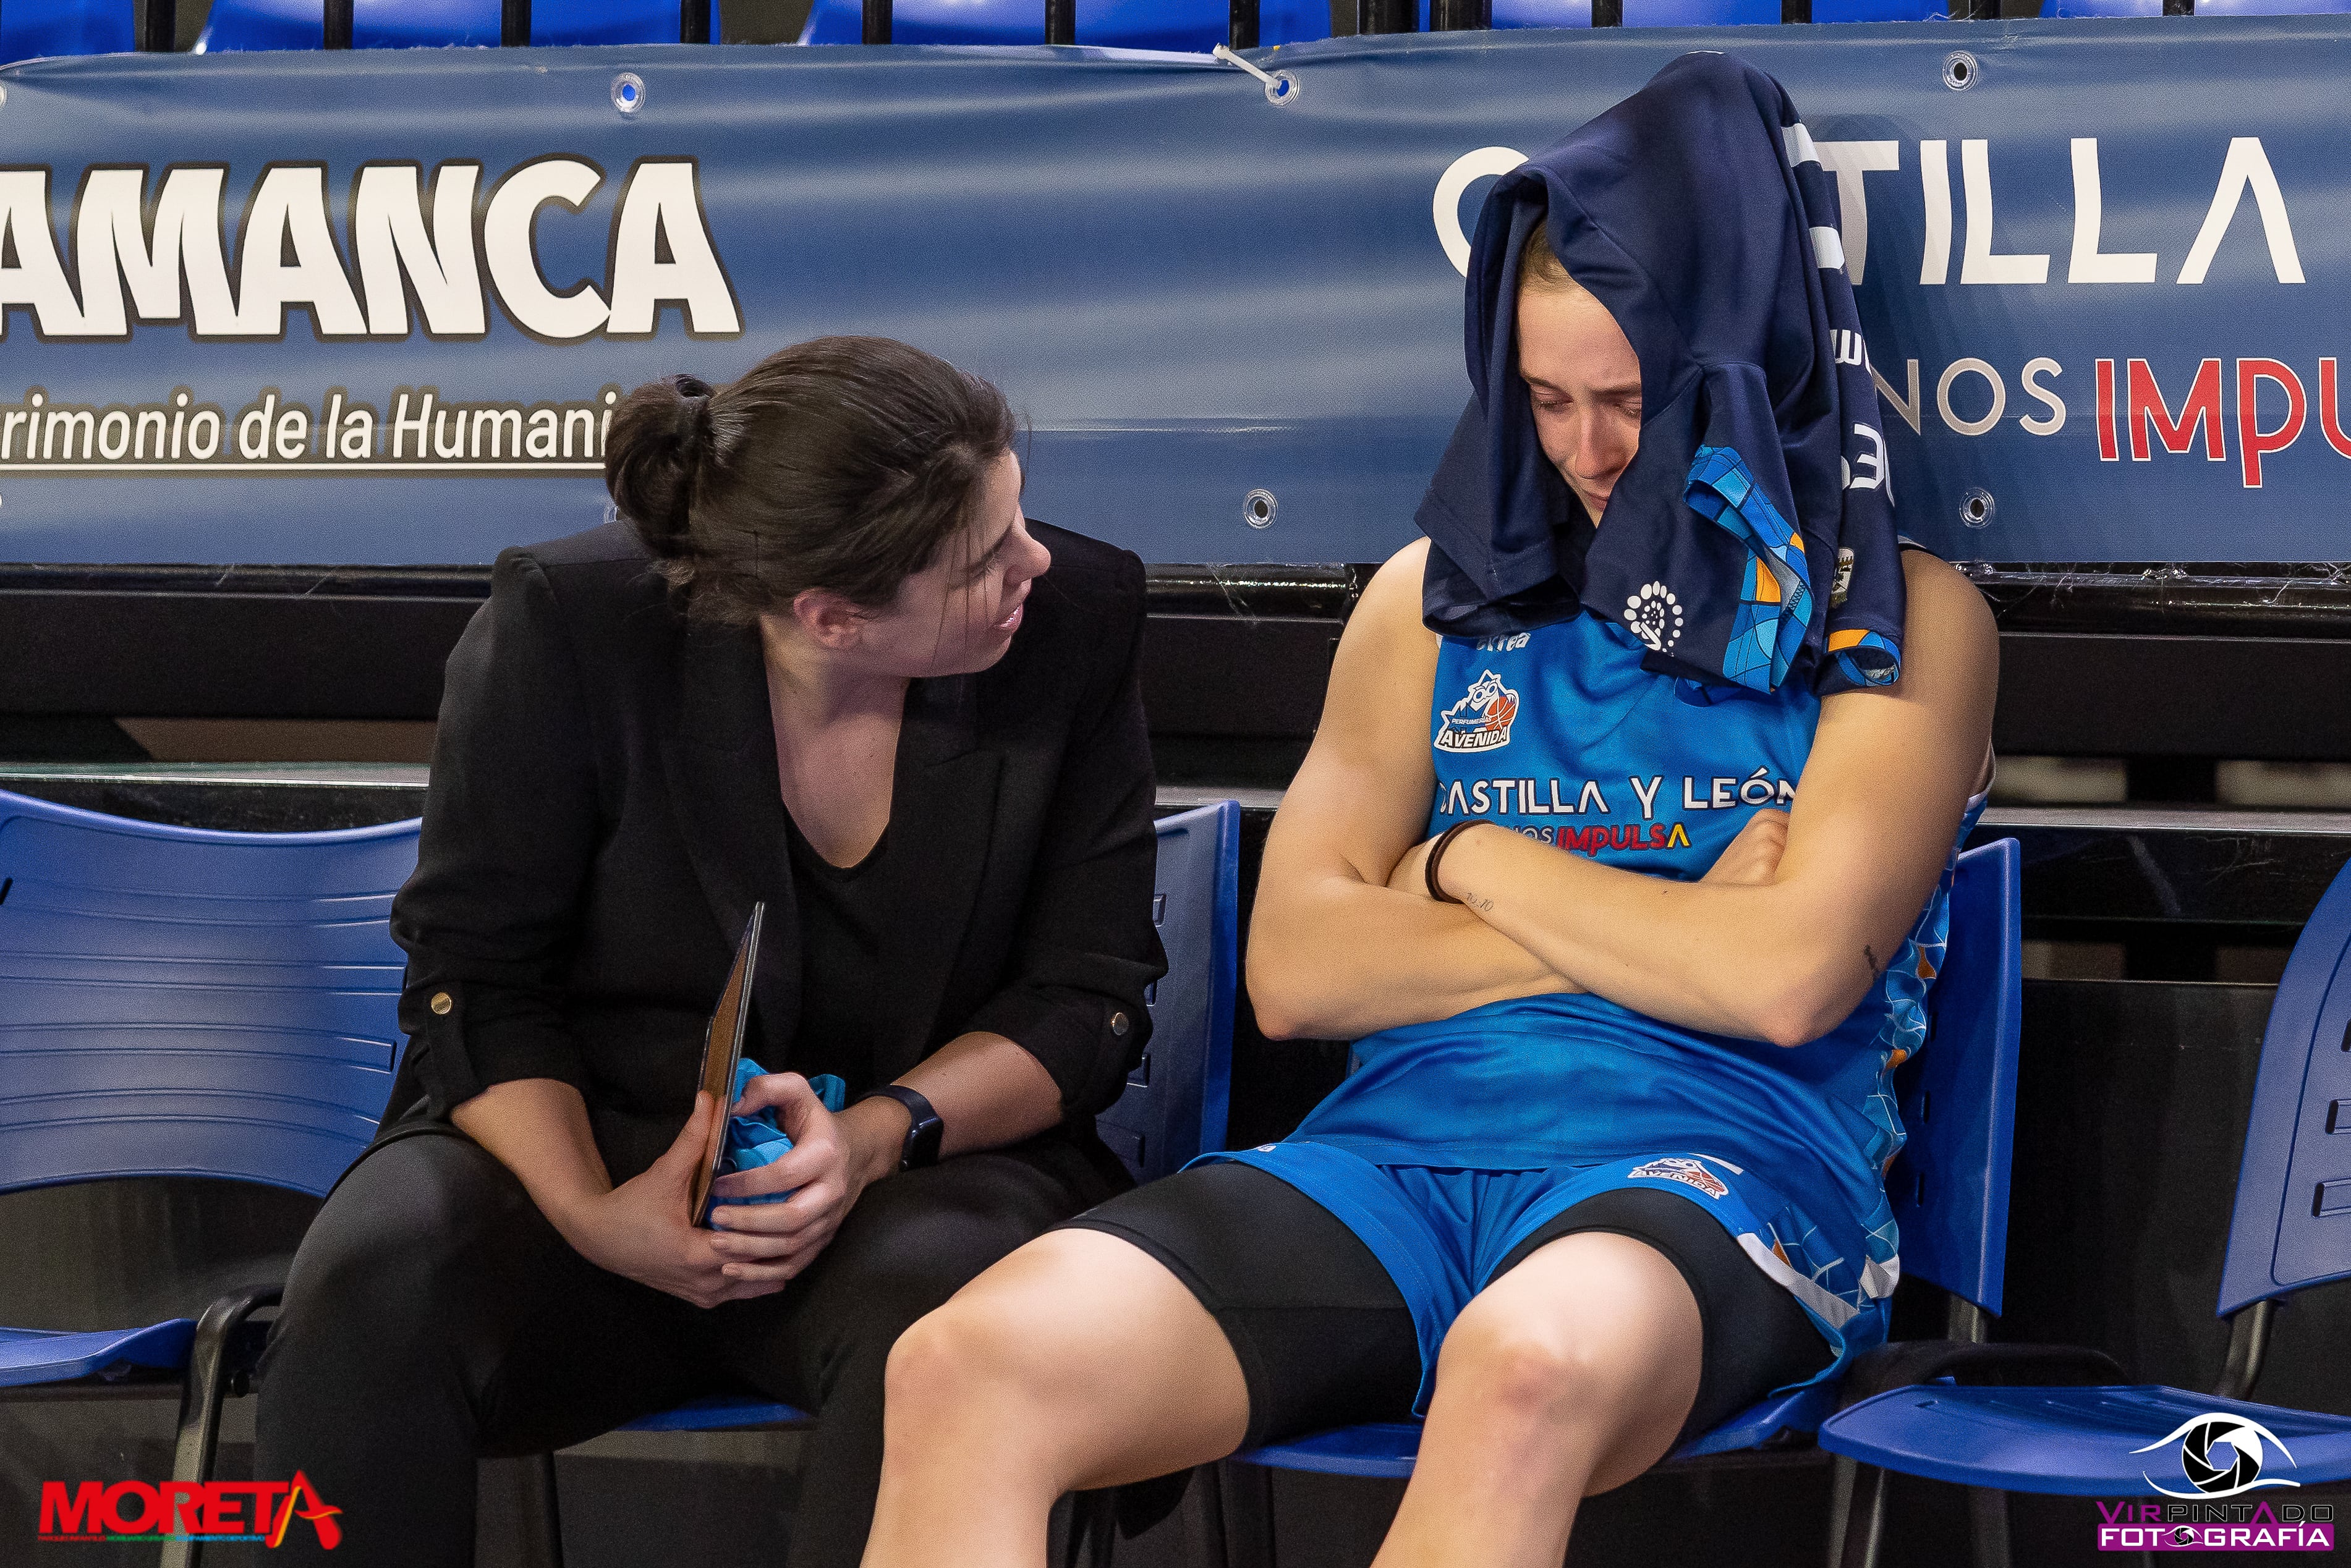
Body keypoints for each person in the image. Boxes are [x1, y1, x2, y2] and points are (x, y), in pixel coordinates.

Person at [859, 54, 1998, 1568]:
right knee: (963, 1365)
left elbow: (1785, 984)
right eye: (1544, 402)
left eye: (1631, 404)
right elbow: (1299, 974)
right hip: (1395, 1156)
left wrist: (1463, 864)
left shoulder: (1898, 612)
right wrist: (1672, 917)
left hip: (1713, 1168)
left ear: (1745, 373)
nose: (1586, 454)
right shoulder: (1427, 603)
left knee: (1520, 1367)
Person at [253, 336, 1165, 1568]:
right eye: (983, 561)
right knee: (379, 1275)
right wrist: (593, 1211)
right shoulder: (572, 625)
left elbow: (1085, 999)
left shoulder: (1074, 623)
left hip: (915, 1168)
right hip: (590, 1143)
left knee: (951, 1303)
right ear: (830, 617)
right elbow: (477, 976)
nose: (1033, 565)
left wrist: (877, 1135)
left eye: (1018, 514)